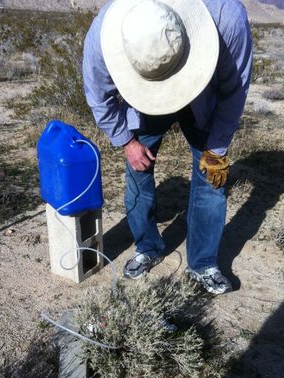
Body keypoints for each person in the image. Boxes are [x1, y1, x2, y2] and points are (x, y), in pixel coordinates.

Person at [82, 0, 253, 294]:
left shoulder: (226, 18)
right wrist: (127, 141)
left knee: (212, 175)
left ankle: (203, 263)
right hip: (144, 105)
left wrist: (217, 148)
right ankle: (148, 246)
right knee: (137, 170)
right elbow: (99, 97)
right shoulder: (104, 34)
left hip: (204, 95)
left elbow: (234, 90)